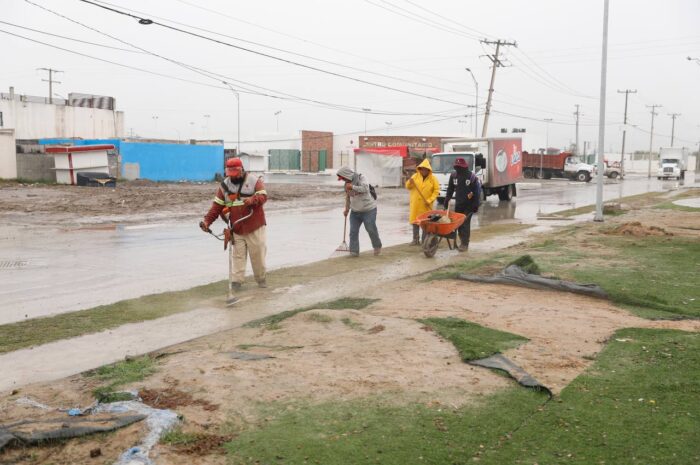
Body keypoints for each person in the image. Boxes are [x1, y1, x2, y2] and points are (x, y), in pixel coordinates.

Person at [200, 157, 268, 303]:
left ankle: (261, 280)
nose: (232, 176)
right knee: (238, 256)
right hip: (236, 226)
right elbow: (216, 207)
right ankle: (236, 283)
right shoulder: (224, 186)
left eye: (235, 173)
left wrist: (252, 200)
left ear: (241, 170)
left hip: (254, 225)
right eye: (229, 173)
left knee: (257, 255)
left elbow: (263, 196)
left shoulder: (254, 181)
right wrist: (207, 221)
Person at [337, 166, 382, 257]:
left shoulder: (362, 178)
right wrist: (346, 209)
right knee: (353, 231)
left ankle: (377, 246)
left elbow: (365, 189)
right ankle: (354, 252)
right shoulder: (346, 184)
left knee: (370, 228)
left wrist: (352, 186)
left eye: (343, 178)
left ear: (347, 175)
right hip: (355, 211)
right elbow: (348, 197)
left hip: (369, 210)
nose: (343, 180)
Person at [443, 157, 481, 252]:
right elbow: (450, 189)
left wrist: (475, 205)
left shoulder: (472, 177)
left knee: (465, 224)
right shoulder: (454, 176)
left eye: (460, 167)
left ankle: (465, 244)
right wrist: (447, 200)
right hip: (459, 204)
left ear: (464, 167)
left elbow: (476, 192)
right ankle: (461, 242)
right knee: (458, 224)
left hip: (469, 205)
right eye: (457, 167)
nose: (458, 169)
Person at [405, 158, 440, 245]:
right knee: (415, 222)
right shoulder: (415, 176)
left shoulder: (433, 179)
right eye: (422, 169)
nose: (423, 171)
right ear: (419, 169)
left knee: (425, 224)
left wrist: (430, 200)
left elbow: (436, 191)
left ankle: (425, 240)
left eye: (425, 169)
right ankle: (415, 240)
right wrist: (410, 182)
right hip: (416, 205)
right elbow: (408, 187)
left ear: (429, 170)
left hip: (426, 205)